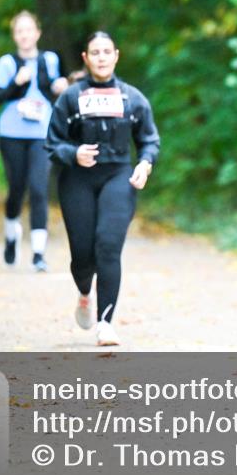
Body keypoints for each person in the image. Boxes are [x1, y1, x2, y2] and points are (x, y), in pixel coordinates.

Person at [45, 31, 159, 346]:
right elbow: (53, 143)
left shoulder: (133, 98)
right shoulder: (70, 97)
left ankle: (105, 323)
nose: (101, 57)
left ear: (116, 56)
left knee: (108, 246)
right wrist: (73, 153)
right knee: (83, 256)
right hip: (77, 179)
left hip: (118, 176)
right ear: (85, 58)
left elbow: (149, 139)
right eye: (95, 52)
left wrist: (144, 164)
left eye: (107, 52)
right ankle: (84, 291)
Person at [0, 11, 68, 271]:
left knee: (38, 188)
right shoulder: (7, 63)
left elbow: (56, 89)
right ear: (15, 36)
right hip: (11, 134)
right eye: (19, 31)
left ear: (37, 33)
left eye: (29, 29)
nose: (24, 35)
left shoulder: (50, 59)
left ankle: (38, 253)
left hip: (41, 133)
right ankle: (12, 236)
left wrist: (60, 86)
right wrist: (15, 83)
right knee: (16, 189)